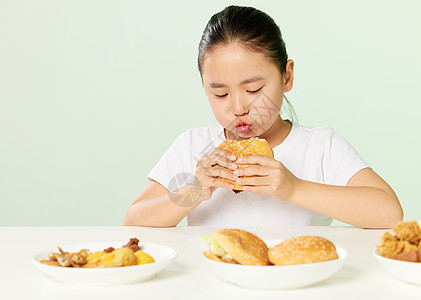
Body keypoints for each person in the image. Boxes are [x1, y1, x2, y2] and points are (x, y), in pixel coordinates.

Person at [123, 5, 403, 228]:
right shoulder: (194, 145)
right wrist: (196, 190)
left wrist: (294, 189)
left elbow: (389, 213)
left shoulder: (320, 146)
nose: (238, 107)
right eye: (220, 94)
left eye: (254, 89)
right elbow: (133, 221)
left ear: (287, 76)